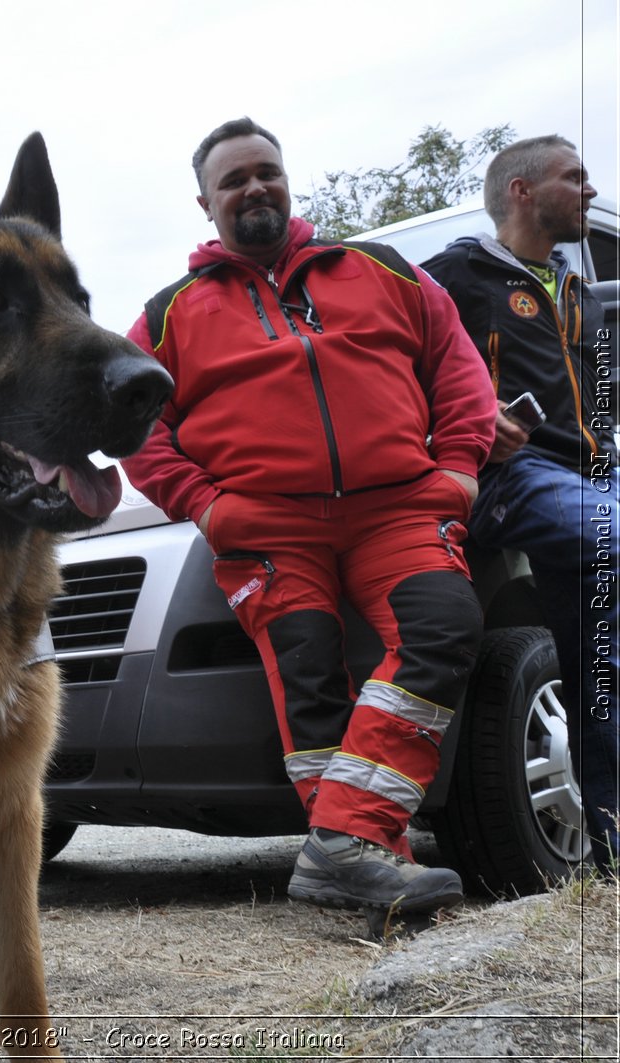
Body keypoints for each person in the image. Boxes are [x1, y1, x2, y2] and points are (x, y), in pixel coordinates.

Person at [120, 118, 498, 915]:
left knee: (442, 628)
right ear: (205, 203)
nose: (254, 187)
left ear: (288, 180)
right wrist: (206, 506)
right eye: (234, 180)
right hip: (267, 526)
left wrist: (460, 468)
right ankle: (370, 862)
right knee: (308, 674)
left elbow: (458, 368)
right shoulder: (167, 314)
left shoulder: (381, 269)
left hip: (397, 508)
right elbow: (134, 429)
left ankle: (339, 846)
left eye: (267, 171)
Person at [420, 135, 619, 867]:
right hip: (513, 478)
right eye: (576, 178)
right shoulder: (455, 275)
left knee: (601, 668)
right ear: (523, 192)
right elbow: (388, 363)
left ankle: (614, 852)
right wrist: (471, 416)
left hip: (592, 479)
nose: (590, 190)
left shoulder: (573, 286)